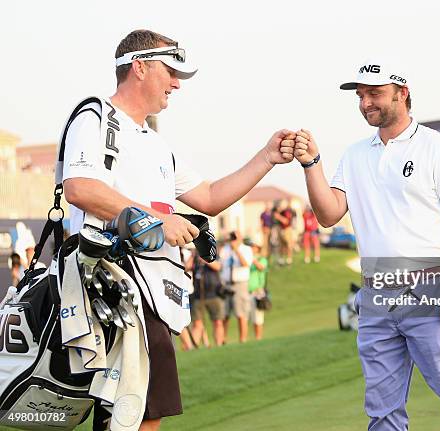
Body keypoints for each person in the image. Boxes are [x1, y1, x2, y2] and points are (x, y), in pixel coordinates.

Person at [61, 29, 295, 431]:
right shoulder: (95, 116)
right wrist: (155, 220)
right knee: (139, 416)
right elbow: (80, 188)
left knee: (137, 416)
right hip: (118, 288)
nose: (176, 84)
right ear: (139, 67)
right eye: (170, 72)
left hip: (152, 292)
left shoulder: (155, 143)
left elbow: (209, 196)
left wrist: (267, 157)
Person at [291, 59, 440, 430]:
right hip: (375, 296)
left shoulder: (436, 147)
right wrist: (312, 164)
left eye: (374, 94)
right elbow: (329, 214)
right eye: (361, 96)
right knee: (382, 408)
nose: (365, 103)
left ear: (402, 93)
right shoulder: (355, 154)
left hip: (429, 289)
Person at [220, 231, 253, 343]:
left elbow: (246, 264)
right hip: (226, 283)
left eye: (236, 237)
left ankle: (242, 339)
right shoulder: (225, 249)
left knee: (241, 313)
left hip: (240, 284)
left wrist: (236, 250)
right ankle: (223, 339)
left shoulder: (246, 249)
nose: (233, 239)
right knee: (225, 314)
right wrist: (225, 242)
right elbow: (220, 263)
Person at [189, 250, 225, 347]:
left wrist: (205, 259)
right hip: (198, 295)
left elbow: (218, 266)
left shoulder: (213, 254)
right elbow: (186, 267)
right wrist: (193, 256)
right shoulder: (194, 258)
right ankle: (193, 347)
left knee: (218, 321)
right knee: (197, 324)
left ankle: (219, 345)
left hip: (214, 294)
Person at [247, 242, 268, 340]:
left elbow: (261, 267)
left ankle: (258, 338)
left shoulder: (261, 259)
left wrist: (252, 259)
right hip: (247, 290)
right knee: (248, 317)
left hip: (257, 291)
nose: (251, 248)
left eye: (253, 247)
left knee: (258, 318)